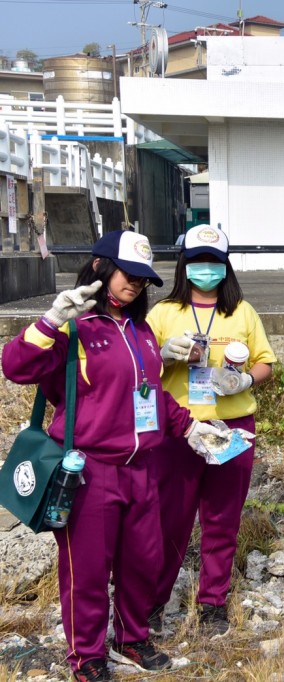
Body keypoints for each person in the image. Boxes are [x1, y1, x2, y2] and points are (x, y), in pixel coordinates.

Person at [1, 230, 227, 682]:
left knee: (142, 561)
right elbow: (15, 367)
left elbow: (152, 398)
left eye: (144, 280)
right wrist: (49, 321)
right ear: (101, 267)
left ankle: (131, 637)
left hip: (141, 469)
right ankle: (86, 655)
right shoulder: (76, 328)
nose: (137, 286)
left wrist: (192, 428)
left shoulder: (141, 332)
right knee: (85, 571)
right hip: (90, 472)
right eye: (130, 275)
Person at [146, 224, 276, 638]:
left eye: (214, 262)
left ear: (225, 266)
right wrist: (164, 358)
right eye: (198, 261)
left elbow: (265, 363)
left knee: (222, 520)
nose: (206, 269)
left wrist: (245, 382)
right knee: (171, 520)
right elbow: (139, 371)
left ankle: (212, 603)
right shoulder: (164, 312)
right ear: (184, 264)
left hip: (232, 428)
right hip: (179, 429)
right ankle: (151, 604)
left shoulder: (242, 313)